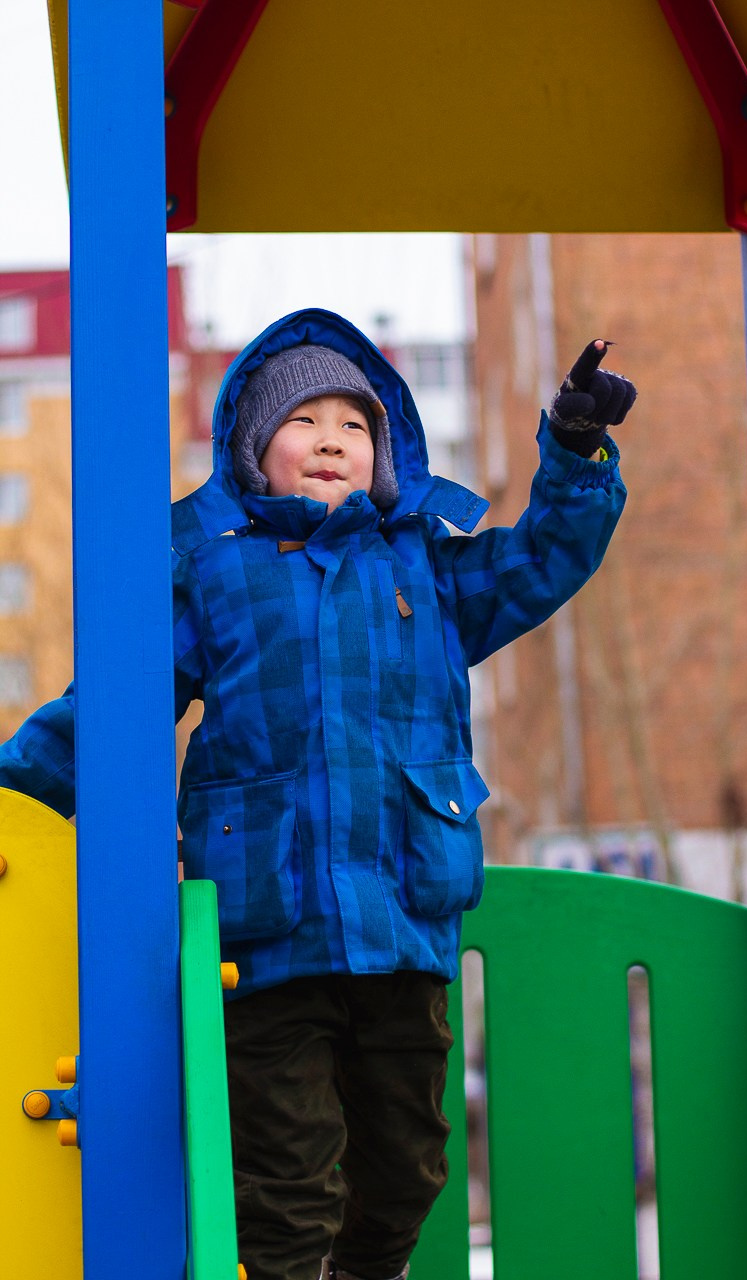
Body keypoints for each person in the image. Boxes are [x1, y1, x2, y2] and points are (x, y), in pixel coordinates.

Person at [0, 308, 635, 1280]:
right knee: (286, 1182)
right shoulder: (212, 571)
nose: (333, 437)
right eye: (304, 421)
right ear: (255, 447)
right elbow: (118, 707)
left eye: (355, 422)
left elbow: (541, 557)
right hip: (268, 937)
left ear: (384, 452)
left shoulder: (427, 562)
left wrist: (577, 448)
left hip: (401, 926)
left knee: (408, 1171)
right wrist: (18, 792)